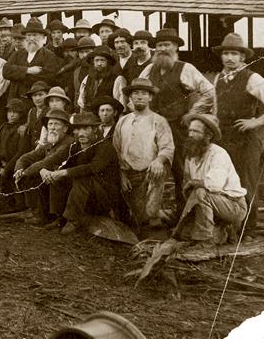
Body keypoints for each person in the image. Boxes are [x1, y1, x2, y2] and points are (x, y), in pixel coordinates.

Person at [212, 32, 264, 234]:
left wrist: (256, 121)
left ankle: (248, 228)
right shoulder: (218, 78)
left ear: (242, 57)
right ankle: (229, 223)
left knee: (246, 181)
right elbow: (216, 109)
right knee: (224, 181)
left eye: (234, 53)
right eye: (226, 53)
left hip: (246, 140)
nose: (229, 58)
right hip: (223, 139)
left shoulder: (252, 78)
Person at [139, 28, 214, 211]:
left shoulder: (186, 68)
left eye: (167, 45)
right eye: (159, 45)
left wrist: (193, 112)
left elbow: (209, 92)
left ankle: (184, 213)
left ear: (176, 48)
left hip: (178, 128)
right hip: (154, 128)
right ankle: (152, 215)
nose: (163, 49)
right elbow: (137, 89)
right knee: (151, 168)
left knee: (181, 170)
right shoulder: (149, 69)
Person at [173, 114, 247, 244]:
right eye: (190, 130)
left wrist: (193, 183)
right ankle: (223, 229)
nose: (190, 134)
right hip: (207, 206)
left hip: (233, 206)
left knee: (201, 192)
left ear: (208, 135)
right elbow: (186, 183)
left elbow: (214, 185)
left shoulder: (218, 154)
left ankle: (205, 240)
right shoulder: (191, 155)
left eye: (195, 131)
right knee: (184, 235)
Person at [113, 78, 174, 227]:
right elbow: (116, 149)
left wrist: (159, 160)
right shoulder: (123, 121)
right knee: (136, 218)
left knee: (152, 216)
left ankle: (158, 216)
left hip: (152, 174)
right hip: (130, 176)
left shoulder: (158, 121)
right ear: (130, 97)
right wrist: (122, 174)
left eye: (144, 93)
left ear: (150, 97)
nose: (139, 97)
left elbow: (167, 147)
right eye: (135, 93)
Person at [57, 113, 121, 234]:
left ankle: (73, 220)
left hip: (105, 196)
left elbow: (92, 168)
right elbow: (56, 159)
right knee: (59, 176)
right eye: (77, 129)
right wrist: (46, 170)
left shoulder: (105, 147)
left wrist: (63, 172)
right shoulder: (75, 147)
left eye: (86, 128)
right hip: (86, 195)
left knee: (81, 178)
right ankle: (59, 216)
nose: (81, 133)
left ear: (95, 130)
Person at [11, 108, 74, 224]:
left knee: (39, 176)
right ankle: (36, 211)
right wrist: (19, 169)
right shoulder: (51, 143)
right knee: (30, 175)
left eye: (57, 124)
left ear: (65, 128)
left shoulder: (68, 143)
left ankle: (55, 217)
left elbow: (48, 162)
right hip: (51, 176)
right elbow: (26, 157)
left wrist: (24, 173)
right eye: (50, 124)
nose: (53, 127)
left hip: (68, 180)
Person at [2, 18, 60, 112]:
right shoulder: (18, 54)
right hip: (15, 102)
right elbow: (6, 71)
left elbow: (48, 77)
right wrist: (28, 71)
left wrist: (18, 75)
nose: (32, 38)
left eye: (35, 35)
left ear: (42, 37)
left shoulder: (49, 55)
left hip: (37, 103)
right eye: (29, 35)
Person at [76, 46, 126, 113]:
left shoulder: (117, 79)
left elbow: (121, 103)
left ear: (108, 62)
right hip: (89, 116)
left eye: (102, 60)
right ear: (93, 62)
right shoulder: (88, 78)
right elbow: (81, 101)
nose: (99, 64)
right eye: (97, 60)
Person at [72, 37, 97, 106]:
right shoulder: (76, 71)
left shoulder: (98, 69)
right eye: (81, 52)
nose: (84, 55)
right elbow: (72, 92)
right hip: (78, 108)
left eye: (87, 51)